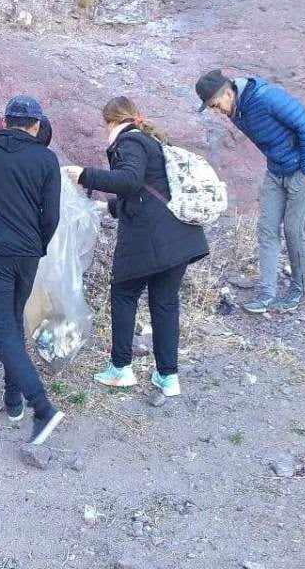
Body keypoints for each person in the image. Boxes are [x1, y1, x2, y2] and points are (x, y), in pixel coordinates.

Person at [66, 96, 208, 397]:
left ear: (111, 121)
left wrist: (84, 175)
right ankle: (168, 377)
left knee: (124, 294)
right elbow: (144, 190)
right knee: (165, 303)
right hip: (177, 237)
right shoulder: (149, 140)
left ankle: (120, 369)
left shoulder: (130, 142)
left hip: (149, 240)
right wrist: (109, 208)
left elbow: (130, 180)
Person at [0, 94, 64, 445]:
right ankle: (13, 400)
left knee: (2, 329)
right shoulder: (46, 159)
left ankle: (41, 407)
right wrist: (37, 245)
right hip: (26, 254)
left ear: (5, 121)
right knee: (11, 321)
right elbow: (51, 215)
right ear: (36, 126)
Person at [195, 69, 305, 313]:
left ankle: (298, 288)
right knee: (266, 229)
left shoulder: (267, 97)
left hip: (301, 170)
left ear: (228, 92)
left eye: (215, 104)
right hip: (276, 170)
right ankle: (267, 292)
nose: (216, 110)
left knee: (293, 230)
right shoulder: (236, 110)